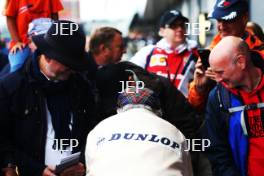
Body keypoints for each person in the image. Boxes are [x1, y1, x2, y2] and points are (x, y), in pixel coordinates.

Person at [0, 20, 96, 176]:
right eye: (68, 63)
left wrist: (83, 163)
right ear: (48, 56)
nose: (73, 69)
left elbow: (91, 129)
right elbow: (4, 143)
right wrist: (37, 170)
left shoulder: (82, 86)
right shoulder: (11, 87)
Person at [85, 87, 193, 176]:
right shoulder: (175, 132)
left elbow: (89, 168)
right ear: (158, 110)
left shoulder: (100, 128)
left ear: (119, 109)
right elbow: (187, 172)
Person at [202, 36, 264, 176]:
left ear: (241, 62)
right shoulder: (217, 98)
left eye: (220, 72)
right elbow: (217, 152)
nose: (217, 78)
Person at [188, 0, 264, 110]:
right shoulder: (209, 54)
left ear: (244, 17)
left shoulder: (260, 52)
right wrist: (199, 88)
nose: (221, 26)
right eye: (219, 20)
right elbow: (195, 106)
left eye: (227, 20)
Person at [130, 9, 198, 96]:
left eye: (182, 25)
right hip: (155, 107)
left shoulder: (195, 53)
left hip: (187, 107)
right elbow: (128, 74)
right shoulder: (148, 52)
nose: (180, 29)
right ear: (162, 31)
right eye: (173, 26)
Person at [4, 0, 63, 72]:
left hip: (45, 42)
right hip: (23, 43)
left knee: (57, 66)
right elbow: (10, 19)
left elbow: (55, 19)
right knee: (17, 66)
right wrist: (17, 42)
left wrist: (54, 40)